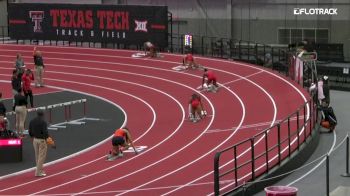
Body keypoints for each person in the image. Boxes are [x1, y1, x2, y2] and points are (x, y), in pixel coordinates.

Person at [29, 110, 49, 177]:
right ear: (43, 114)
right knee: (41, 157)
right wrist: (48, 140)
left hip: (35, 140)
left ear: (37, 114)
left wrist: (32, 136)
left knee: (37, 156)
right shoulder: (43, 122)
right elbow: (45, 132)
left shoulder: (32, 121)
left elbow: (30, 130)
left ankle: (40, 170)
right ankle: (38, 172)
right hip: (42, 140)